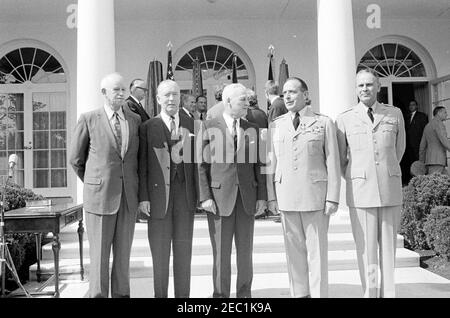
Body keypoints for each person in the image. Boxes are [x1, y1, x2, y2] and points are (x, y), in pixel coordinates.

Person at [266, 77, 340, 298]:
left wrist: (333, 197)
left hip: (315, 197)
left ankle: (318, 294)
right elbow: (270, 163)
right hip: (286, 196)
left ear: (306, 95)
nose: (287, 96)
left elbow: (333, 161)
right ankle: (299, 294)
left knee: (317, 253)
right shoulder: (276, 125)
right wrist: (271, 197)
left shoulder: (324, 123)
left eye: (292, 92)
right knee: (294, 253)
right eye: (284, 93)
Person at [69, 72, 141, 298]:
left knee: (123, 256)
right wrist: (95, 183)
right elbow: (75, 160)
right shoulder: (89, 119)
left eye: (123, 90)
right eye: (116, 90)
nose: (121, 94)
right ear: (104, 93)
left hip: (127, 198)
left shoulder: (134, 119)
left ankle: (121, 295)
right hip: (99, 197)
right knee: (99, 255)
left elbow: (136, 159)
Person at [336, 68, 406, 298]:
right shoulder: (345, 118)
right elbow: (341, 158)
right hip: (361, 192)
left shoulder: (394, 114)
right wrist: (359, 176)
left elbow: (399, 150)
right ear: (356, 89)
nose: (364, 89)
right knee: (366, 251)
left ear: (378, 87)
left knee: (388, 249)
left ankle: (388, 293)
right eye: (360, 86)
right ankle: (371, 292)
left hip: (389, 189)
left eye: (369, 85)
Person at [198, 83, 267, 298]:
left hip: (247, 198)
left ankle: (244, 295)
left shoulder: (252, 128)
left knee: (245, 252)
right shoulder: (208, 126)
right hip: (219, 200)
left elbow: (259, 165)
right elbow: (201, 165)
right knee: (221, 253)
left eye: (247, 99)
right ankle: (220, 295)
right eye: (243, 100)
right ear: (228, 102)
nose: (248, 103)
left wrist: (262, 197)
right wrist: (205, 197)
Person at [138, 80, 197, 298]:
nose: (171, 99)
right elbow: (142, 164)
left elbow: (198, 162)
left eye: (175, 94)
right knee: (160, 255)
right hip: (157, 198)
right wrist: (143, 197)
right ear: (158, 99)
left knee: (184, 254)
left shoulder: (191, 125)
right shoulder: (148, 127)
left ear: (180, 97)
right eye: (167, 95)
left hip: (185, 197)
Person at [125, 78, 150, 223]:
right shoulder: (129, 104)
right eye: (143, 89)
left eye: (146, 90)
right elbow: (138, 125)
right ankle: (137, 215)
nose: (145, 92)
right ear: (133, 89)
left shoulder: (138, 104)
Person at [401, 100, 428, 184]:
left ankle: (420, 181)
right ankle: (412, 181)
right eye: (410, 105)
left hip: (418, 144)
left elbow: (424, 130)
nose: (411, 106)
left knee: (418, 164)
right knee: (411, 163)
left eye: (413, 105)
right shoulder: (406, 117)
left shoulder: (422, 116)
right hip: (409, 145)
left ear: (417, 106)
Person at [419, 106, 450, 175]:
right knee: (435, 184)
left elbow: (422, 146)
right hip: (438, 161)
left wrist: (421, 161)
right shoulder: (439, 124)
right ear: (439, 113)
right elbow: (444, 140)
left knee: (445, 182)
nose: (446, 114)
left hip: (431, 161)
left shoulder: (427, 125)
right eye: (445, 112)